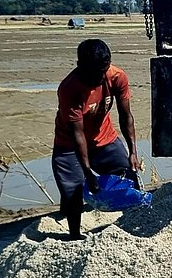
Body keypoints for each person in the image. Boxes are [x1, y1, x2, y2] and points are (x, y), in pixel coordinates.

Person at [51, 39, 138, 241]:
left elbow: (126, 116)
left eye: (103, 71)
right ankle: (74, 235)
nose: (100, 78)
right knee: (73, 191)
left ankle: (135, 224)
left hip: (104, 138)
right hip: (69, 145)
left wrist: (133, 152)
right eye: (94, 73)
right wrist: (87, 172)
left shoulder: (117, 77)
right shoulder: (69, 88)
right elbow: (77, 134)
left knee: (128, 176)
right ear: (80, 65)